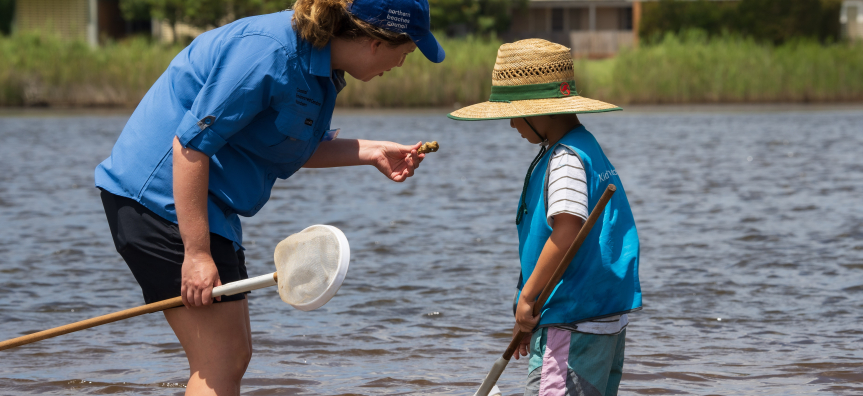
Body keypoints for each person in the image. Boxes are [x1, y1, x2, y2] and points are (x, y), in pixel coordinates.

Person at [94, 0, 445, 394]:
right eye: (406, 52)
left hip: (208, 205)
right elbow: (188, 146)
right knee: (220, 359)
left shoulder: (322, 69)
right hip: (159, 200)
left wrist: (371, 151)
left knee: (233, 355)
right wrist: (196, 254)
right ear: (376, 42)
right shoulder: (268, 51)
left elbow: (283, 143)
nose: (400, 64)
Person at [448, 39, 641, 396]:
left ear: (539, 112)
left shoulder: (565, 158)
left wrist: (528, 298)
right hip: (601, 320)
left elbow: (566, 232)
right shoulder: (586, 146)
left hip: (571, 324)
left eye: (513, 113)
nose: (510, 124)